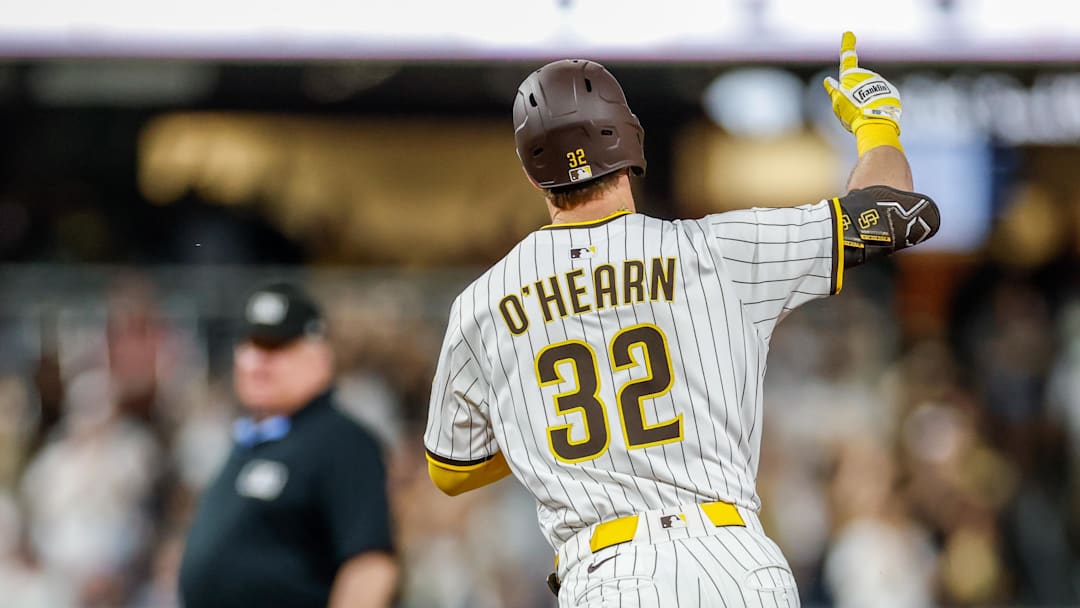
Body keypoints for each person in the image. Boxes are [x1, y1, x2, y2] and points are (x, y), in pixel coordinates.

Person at [423, 31, 939, 606]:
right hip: (738, 562)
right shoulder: (714, 249)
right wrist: (877, 123)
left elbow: (452, 469)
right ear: (630, 140)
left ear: (531, 171)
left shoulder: (482, 303)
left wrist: (542, 431)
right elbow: (895, 216)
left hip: (609, 572)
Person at [179, 281, 398, 608]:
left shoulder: (340, 441)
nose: (257, 361)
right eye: (250, 345)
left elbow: (369, 567)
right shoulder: (254, 441)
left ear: (319, 358)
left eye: (276, 348)